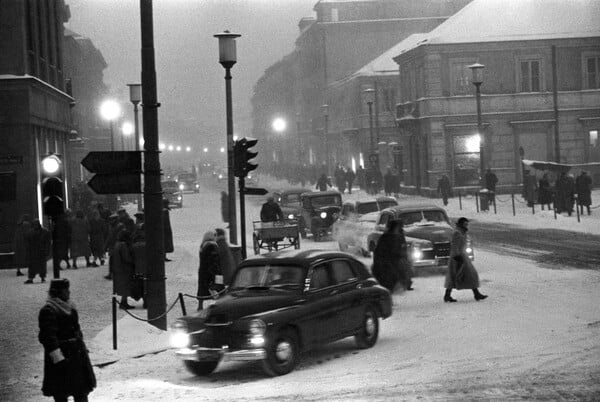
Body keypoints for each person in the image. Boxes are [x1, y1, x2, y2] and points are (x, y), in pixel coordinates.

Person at [38, 278, 96, 401]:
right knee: (61, 393)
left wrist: (81, 346)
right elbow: (48, 337)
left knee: (81, 393)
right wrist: (58, 358)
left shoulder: (70, 307)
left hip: (77, 357)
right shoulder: (48, 310)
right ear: (58, 292)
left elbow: (77, 329)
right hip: (62, 358)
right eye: (66, 290)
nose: (69, 293)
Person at [444, 217, 487, 302]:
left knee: (469, 275)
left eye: (467, 224)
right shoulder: (457, 233)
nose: (467, 226)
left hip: (461, 256)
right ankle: (448, 295)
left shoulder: (462, 232)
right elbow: (455, 246)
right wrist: (457, 257)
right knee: (457, 276)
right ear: (461, 224)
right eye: (465, 224)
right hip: (457, 257)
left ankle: (476, 294)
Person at [371, 220, 412, 293]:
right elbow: (380, 251)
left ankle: (404, 284)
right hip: (387, 262)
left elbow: (403, 248)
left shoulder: (400, 236)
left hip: (396, 260)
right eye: (399, 227)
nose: (400, 228)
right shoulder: (386, 237)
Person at [197, 231, 223, 310]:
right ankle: (221, 304)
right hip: (214, 271)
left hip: (203, 271)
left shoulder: (203, 245)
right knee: (218, 288)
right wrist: (216, 272)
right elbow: (214, 260)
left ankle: (200, 305)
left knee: (202, 288)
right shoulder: (212, 245)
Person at [112, 230, 134, 309]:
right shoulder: (123, 245)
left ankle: (123, 302)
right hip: (124, 269)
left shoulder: (116, 244)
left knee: (121, 287)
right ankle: (124, 303)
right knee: (125, 286)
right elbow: (126, 258)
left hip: (117, 268)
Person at [24, 220, 51, 284]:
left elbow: (47, 243)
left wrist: (47, 250)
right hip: (35, 252)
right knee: (34, 265)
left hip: (39, 251)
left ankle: (40, 277)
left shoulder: (31, 232)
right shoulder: (44, 232)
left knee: (40, 265)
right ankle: (35, 278)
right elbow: (27, 243)